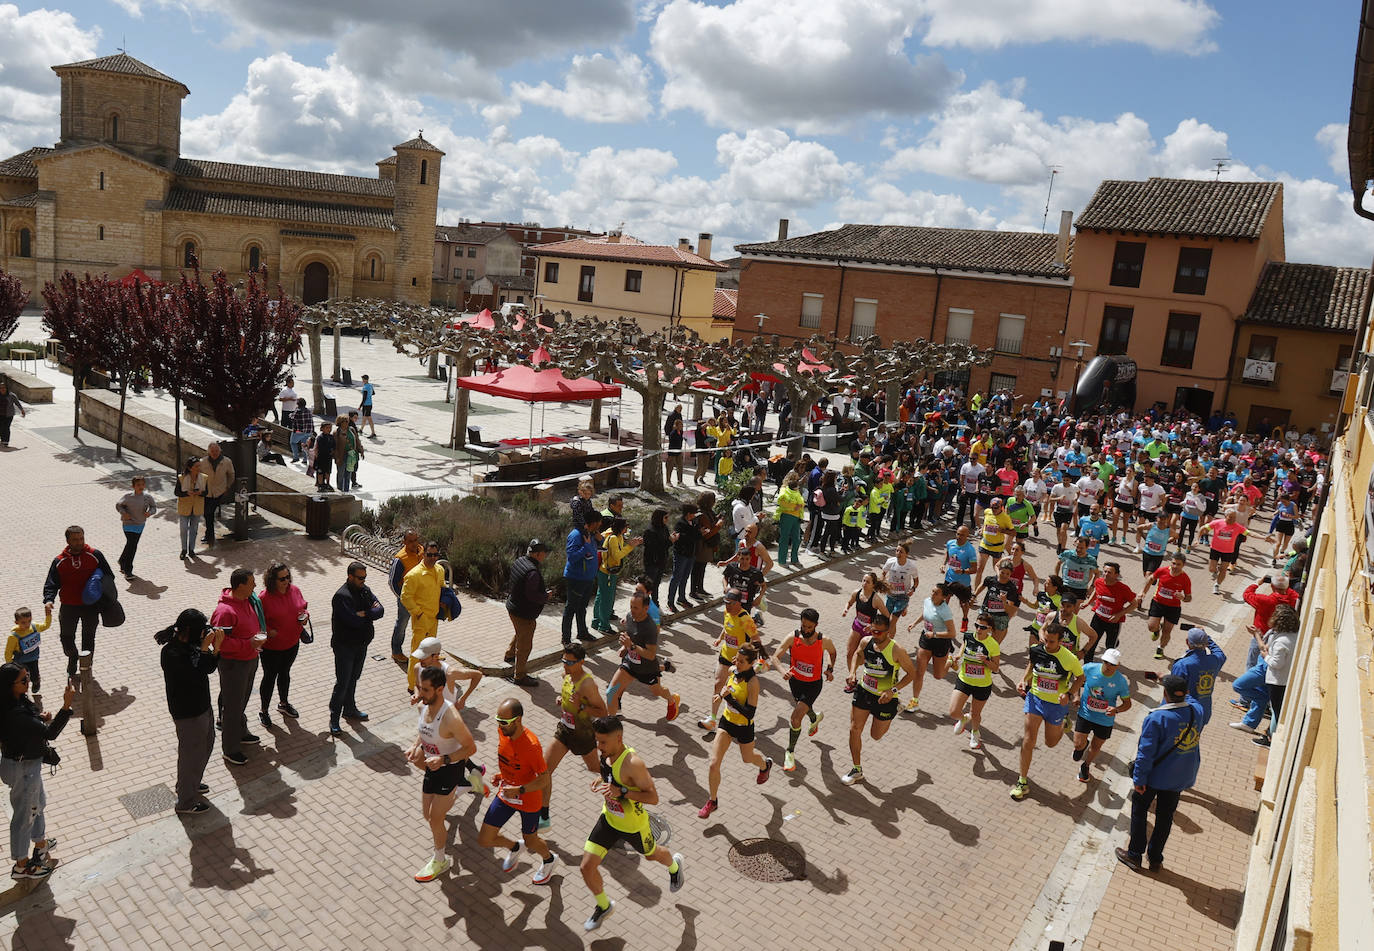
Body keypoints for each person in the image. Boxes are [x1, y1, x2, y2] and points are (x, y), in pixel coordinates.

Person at [579, 716, 685, 932]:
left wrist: (623, 791)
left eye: (603, 742)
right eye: (597, 742)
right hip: (608, 820)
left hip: (634, 826)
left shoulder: (633, 764)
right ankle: (604, 905)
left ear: (619, 738)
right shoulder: (606, 755)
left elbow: (653, 797)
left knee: (652, 854)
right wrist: (602, 779)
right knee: (586, 867)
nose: (599, 748)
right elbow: (610, 774)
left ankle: (675, 866)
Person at [1116, 674, 1202, 873]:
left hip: (1154, 777)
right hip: (1179, 778)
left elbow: (1145, 754)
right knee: (1165, 818)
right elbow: (1191, 700)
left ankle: (1135, 854)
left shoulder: (1157, 718)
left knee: (1139, 810)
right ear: (1186, 693)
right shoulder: (1196, 711)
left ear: (1165, 694)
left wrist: (1139, 779)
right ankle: (1155, 859)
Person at [0, 664, 74, 880]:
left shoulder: (15, 703)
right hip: (22, 769)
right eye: (23, 680)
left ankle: (40, 844)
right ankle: (22, 865)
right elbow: (50, 734)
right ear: (9, 686)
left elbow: (28, 728)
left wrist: (39, 719)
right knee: (24, 816)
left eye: (28, 677)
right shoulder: (14, 713)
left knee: (37, 804)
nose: (28, 682)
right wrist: (66, 706)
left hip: (27, 765)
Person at [407, 666, 478, 883]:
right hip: (433, 767)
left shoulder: (451, 718)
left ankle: (440, 860)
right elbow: (423, 731)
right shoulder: (423, 705)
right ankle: (462, 788)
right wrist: (414, 745)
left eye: (425, 690)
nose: (420, 693)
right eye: (419, 688)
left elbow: (470, 748)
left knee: (435, 820)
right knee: (427, 815)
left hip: (449, 769)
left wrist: (444, 759)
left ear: (439, 690)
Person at [476, 698, 557, 884]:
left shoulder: (532, 746)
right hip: (506, 794)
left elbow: (544, 778)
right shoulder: (503, 733)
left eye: (504, 722)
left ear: (518, 720)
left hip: (528, 800)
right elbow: (511, 760)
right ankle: (513, 847)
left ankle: (549, 860)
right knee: (485, 839)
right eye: (498, 720)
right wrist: (501, 774)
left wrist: (520, 789)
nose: (500, 726)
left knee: (531, 841)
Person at [157, 609, 224, 815]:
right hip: (187, 712)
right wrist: (205, 649)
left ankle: (188, 784)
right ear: (188, 630)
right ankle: (185, 802)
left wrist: (216, 647)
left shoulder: (193, 645)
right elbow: (193, 675)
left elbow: (209, 668)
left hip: (203, 706)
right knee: (191, 755)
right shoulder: (171, 653)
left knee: (206, 745)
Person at [1012, 621, 1084, 801]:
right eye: (1046, 640)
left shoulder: (1069, 658)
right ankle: (1022, 782)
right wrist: (1023, 679)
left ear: (1060, 641)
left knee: (1050, 743)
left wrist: (1069, 694)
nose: (1047, 644)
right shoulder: (1036, 649)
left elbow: (1081, 678)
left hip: (1056, 705)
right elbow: (1031, 665)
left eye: (1052, 641)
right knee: (1029, 739)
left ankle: (1063, 724)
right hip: (1035, 699)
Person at [699, 642, 773, 817]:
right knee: (713, 764)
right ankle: (713, 800)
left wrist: (730, 699)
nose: (736, 663)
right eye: (736, 659)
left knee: (748, 759)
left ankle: (765, 765)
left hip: (744, 727)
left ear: (750, 663)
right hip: (727, 723)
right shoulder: (733, 671)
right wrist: (720, 696)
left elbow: (750, 713)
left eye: (741, 661)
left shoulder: (753, 683)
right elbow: (727, 690)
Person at [539, 642, 607, 830]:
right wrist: (562, 701)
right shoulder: (566, 675)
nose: (565, 665)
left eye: (570, 662)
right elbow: (568, 700)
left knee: (594, 767)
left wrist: (582, 707)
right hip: (564, 730)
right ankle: (543, 816)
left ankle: (616, 781)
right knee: (544, 770)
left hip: (583, 735)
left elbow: (603, 711)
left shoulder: (587, 684)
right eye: (564, 660)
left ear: (581, 662)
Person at [843, 612, 916, 785]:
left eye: (879, 632)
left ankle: (895, 707)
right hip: (864, 691)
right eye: (873, 631)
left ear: (888, 632)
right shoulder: (866, 641)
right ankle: (857, 769)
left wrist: (893, 690)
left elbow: (912, 673)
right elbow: (857, 655)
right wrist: (852, 672)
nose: (875, 635)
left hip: (885, 698)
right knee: (854, 729)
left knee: (875, 735)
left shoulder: (897, 650)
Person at [42, 525, 114, 680]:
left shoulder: (95, 555)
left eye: (81, 538)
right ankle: (73, 657)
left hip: (90, 606)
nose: (79, 542)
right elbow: (51, 583)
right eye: (75, 539)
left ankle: (86, 666)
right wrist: (49, 600)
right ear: (68, 541)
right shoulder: (59, 561)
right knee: (66, 638)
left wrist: (98, 585)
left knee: (88, 638)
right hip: (69, 605)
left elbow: (109, 575)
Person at [211, 568, 267, 766]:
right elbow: (220, 643)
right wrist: (248, 644)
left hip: (250, 659)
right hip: (234, 664)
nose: (255, 585)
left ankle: (241, 733)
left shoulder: (247, 601)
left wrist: (254, 645)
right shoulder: (224, 612)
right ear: (241, 585)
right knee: (232, 707)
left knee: (241, 701)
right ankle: (230, 748)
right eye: (252, 582)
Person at [776, 608, 836, 771]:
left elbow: (832, 652)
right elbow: (775, 657)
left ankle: (789, 752)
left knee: (796, 718)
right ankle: (815, 717)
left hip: (813, 684)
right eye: (804, 626)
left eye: (810, 627)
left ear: (816, 625)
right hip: (795, 682)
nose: (806, 630)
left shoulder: (823, 640)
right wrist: (783, 671)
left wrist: (830, 669)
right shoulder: (793, 637)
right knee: (802, 708)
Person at [329, 561, 385, 736]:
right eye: (360, 578)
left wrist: (366, 613)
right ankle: (334, 718)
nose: (363, 580)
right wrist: (368, 613)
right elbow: (353, 621)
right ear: (350, 576)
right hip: (345, 646)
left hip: (361, 644)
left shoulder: (365, 590)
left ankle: (350, 709)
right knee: (343, 682)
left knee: (354, 678)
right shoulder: (341, 596)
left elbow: (380, 610)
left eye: (365, 577)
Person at [606, 592, 680, 720]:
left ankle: (671, 699)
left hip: (647, 669)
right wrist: (624, 646)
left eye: (636, 608)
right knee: (611, 693)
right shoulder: (629, 617)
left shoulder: (649, 628)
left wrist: (632, 645)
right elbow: (630, 636)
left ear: (646, 609)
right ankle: (611, 727)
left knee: (657, 691)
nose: (632, 610)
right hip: (629, 664)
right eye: (631, 606)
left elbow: (651, 655)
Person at [699, 589, 765, 729]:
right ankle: (712, 719)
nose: (727, 606)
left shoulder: (745, 618)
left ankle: (738, 719)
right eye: (725, 603)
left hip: (739, 661)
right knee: (718, 684)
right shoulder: (727, 612)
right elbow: (726, 627)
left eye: (730, 603)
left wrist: (749, 657)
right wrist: (719, 638)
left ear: (738, 603)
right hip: (725, 655)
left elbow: (756, 639)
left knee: (737, 693)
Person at [257, 563, 308, 729]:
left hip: (292, 643)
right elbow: (257, 621)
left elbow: (303, 608)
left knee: (285, 674)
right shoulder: (264, 598)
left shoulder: (295, 590)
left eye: (288, 577)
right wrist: (269, 631)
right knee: (270, 677)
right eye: (282, 579)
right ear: (272, 580)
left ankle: (284, 703)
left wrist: (305, 617)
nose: (287, 581)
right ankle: (264, 711)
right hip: (272, 648)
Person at [1071, 648, 1132, 783]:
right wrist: (1076, 696)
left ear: (1118, 665)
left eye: (1113, 664)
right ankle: (1082, 745)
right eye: (1106, 662)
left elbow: (1127, 704)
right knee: (1077, 744)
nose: (1108, 666)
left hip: (1105, 720)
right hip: (1086, 713)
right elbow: (1077, 681)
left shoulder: (1120, 681)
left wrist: (1116, 710)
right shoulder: (1089, 668)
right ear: (1103, 660)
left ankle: (1085, 766)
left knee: (1096, 747)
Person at [907, 581, 966, 712]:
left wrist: (934, 634)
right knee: (919, 672)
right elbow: (925, 614)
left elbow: (952, 633)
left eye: (936, 593)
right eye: (932, 591)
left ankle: (950, 661)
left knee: (938, 675)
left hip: (940, 642)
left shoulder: (945, 611)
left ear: (943, 597)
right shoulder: (927, 601)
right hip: (926, 640)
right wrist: (914, 623)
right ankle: (914, 701)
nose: (932, 594)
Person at [948, 612, 1001, 751]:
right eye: (977, 625)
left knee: (976, 713)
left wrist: (986, 661)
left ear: (989, 628)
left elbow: (996, 668)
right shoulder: (968, 636)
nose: (978, 629)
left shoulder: (993, 644)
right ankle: (964, 719)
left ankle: (975, 733)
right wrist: (958, 656)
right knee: (953, 712)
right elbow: (963, 647)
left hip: (982, 685)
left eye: (982, 627)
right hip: (964, 679)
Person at [401, 541, 447, 692]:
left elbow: (442, 588)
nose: (433, 558)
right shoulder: (414, 575)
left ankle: (428, 680)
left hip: (434, 618)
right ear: (423, 554)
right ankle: (412, 685)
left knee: (432, 652)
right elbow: (405, 597)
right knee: (417, 653)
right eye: (429, 555)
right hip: (421, 619)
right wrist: (418, 613)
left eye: (435, 555)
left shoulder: (439, 570)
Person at [504, 539, 550, 686]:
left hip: (513, 607)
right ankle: (519, 676)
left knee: (520, 633)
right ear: (537, 554)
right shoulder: (532, 573)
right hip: (524, 612)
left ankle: (509, 656)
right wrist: (546, 596)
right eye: (544, 553)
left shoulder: (520, 561)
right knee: (525, 646)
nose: (545, 555)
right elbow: (533, 596)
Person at [1252, 606, 1297, 748]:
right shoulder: (1293, 636)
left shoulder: (1281, 641)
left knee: (1277, 711)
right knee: (1277, 711)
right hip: (1287, 679)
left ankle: (1272, 740)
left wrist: (1266, 656)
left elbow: (1276, 663)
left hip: (1277, 681)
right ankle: (1270, 736)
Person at [1082, 562, 1138, 664]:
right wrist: (1088, 602)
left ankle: (1108, 668)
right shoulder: (1098, 581)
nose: (1106, 574)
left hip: (1113, 622)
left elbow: (1134, 604)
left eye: (1110, 572)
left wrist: (1119, 614)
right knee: (1092, 641)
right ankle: (1087, 665)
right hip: (1098, 618)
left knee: (1110, 647)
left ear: (1116, 575)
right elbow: (1096, 591)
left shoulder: (1123, 588)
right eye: (1105, 571)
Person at [1170, 628, 1226, 725]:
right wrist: (1206, 638)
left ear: (1187, 642)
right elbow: (1220, 653)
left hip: (1184, 713)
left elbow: (1172, 693)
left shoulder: (1182, 665)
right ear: (1206, 643)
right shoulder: (1214, 661)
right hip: (1203, 711)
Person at [593, 517, 640, 634]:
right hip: (608, 573)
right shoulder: (613, 538)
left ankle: (596, 621)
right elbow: (617, 556)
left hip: (607, 572)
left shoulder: (618, 537)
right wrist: (630, 547)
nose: (627, 529)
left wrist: (629, 543)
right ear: (621, 528)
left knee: (601, 596)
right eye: (626, 527)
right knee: (607, 600)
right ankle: (603, 626)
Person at [1142, 552, 1192, 660]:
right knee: (1151, 626)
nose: (1175, 567)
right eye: (1173, 563)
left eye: (1178, 564)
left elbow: (1189, 598)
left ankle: (1160, 648)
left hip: (1173, 607)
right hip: (1158, 603)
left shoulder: (1185, 579)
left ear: (1183, 565)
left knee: (1167, 631)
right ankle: (1156, 629)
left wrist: (1183, 598)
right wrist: (1143, 592)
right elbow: (1150, 579)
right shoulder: (1162, 571)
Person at [562, 512, 602, 646]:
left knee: (582, 608)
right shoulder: (576, 535)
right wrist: (585, 546)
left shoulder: (590, 534)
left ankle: (582, 632)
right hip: (576, 579)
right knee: (571, 608)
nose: (601, 525)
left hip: (587, 578)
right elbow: (572, 557)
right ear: (594, 522)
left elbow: (596, 549)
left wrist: (599, 539)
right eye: (599, 522)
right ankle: (566, 638)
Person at [388, 530, 424, 662]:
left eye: (415, 540)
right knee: (402, 625)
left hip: (422, 597)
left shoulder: (421, 550)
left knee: (423, 624)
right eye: (410, 541)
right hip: (406, 599)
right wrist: (403, 597)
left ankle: (424, 653)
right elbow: (392, 582)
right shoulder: (400, 559)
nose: (414, 544)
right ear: (404, 542)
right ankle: (396, 652)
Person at [115, 476, 156, 579]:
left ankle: (122, 560)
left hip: (140, 524)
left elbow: (154, 507)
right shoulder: (128, 497)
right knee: (132, 546)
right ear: (133, 486)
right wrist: (124, 513)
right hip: (128, 524)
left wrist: (149, 513)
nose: (141, 487)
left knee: (131, 545)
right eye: (138, 485)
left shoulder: (147, 497)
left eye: (142, 484)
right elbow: (118, 505)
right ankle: (128, 571)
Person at [1198, 508, 1247, 594]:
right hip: (1215, 549)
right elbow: (1203, 528)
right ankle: (1215, 570)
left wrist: (1264, 537)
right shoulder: (1217, 522)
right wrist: (1198, 539)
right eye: (1231, 517)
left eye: (1234, 517)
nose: (1233, 519)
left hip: (1228, 552)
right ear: (1225, 516)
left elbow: (1250, 533)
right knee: (1211, 569)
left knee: (1223, 569)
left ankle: (1217, 585)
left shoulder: (1237, 526)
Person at [6, 606, 50, 695]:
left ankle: (36, 682)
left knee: (34, 675)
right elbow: (8, 652)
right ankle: (22, 693)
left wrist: (48, 615)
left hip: (33, 658)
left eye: (29, 621)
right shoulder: (13, 636)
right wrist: (10, 665)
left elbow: (46, 626)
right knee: (21, 679)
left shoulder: (34, 627)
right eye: (23, 622)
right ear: (16, 622)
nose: (27, 624)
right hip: (20, 661)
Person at [201, 441, 236, 548]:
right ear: (209, 452)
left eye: (216, 451)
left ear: (220, 451)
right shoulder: (203, 462)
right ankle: (209, 534)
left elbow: (231, 475)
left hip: (219, 491)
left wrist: (227, 487)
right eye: (212, 451)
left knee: (209, 512)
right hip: (206, 492)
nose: (214, 453)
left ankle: (210, 536)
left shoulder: (226, 461)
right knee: (207, 514)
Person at [666, 502, 699, 612]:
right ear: (688, 514)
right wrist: (692, 535)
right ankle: (670, 601)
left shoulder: (694, 522)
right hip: (681, 554)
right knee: (676, 577)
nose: (695, 515)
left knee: (685, 577)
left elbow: (697, 536)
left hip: (691, 554)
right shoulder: (680, 523)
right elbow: (681, 538)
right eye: (694, 513)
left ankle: (681, 598)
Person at [173, 457, 207, 561]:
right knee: (183, 529)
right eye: (196, 466)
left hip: (197, 507)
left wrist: (200, 493)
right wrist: (186, 493)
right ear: (190, 468)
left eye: (199, 466)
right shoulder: (181, 478)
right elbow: (177, 492)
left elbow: (207, 492)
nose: (198, 468)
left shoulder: (204, 478)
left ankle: (191, 550)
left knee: (194, 530)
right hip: (185, 507)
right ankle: (184, 549)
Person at [881, 541, 918, 628]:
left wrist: (913, 589)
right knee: (885, 618)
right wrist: (885, 583)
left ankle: (888, 640)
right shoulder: (890, 562)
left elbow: (916, 581)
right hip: (890, 595)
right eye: (897, 550)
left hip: (903, 596)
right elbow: (883, 574)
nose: (898, 553)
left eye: (901, 552)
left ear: (907, 554)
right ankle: (904, 608)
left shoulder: (911, 566)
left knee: (892, 622)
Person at [775, 472, 805, 568]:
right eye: (796, 479)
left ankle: (794, 559)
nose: (798, 481)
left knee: (797, 539)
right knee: (784, 538)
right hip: (787, 516)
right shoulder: (784, 489)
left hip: (796, 517)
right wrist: (794, 507)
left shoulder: (796, 489)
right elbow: (782, 502)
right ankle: (782, 560)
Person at [0, 379, 26, 447]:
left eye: (4, 388)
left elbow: (17, 403)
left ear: (6, 388)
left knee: (6, 427)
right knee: (1, 427)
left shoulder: (11, 395)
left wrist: (22, 410)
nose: (2, 389)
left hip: (9, 414)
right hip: (0, 414)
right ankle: (2, 439)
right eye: (1, 388)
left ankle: (6, 441)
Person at [313, 420, 336, 490]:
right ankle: (320, 484)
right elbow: (317, 448)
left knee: (328, 472)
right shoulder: (320, 437)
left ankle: (328, 483)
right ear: (322, 428)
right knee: (320, 472)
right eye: (327, 428)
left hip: (328, 458)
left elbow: (334, 446)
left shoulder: (331, 437)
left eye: (330, 428)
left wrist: (332, 453)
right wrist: (316, 457)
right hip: (321, 458)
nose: (329, 429)